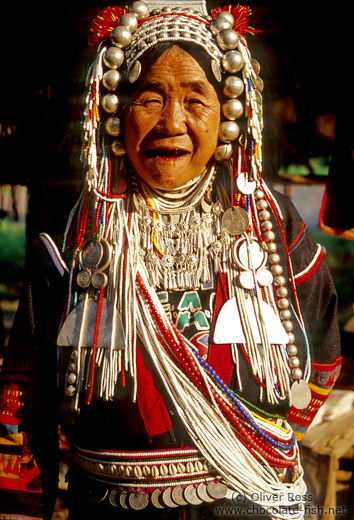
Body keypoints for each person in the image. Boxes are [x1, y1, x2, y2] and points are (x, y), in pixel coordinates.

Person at [0, 2, 341, 519]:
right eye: (151, 98)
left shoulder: (269, 222)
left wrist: (256, 442)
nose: (172, 122)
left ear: (226, 111)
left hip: (250, 502)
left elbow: (323, 347)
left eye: (194, 98)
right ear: (117, 111)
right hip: (113, 506)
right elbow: (25, 395)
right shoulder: (82, 232)